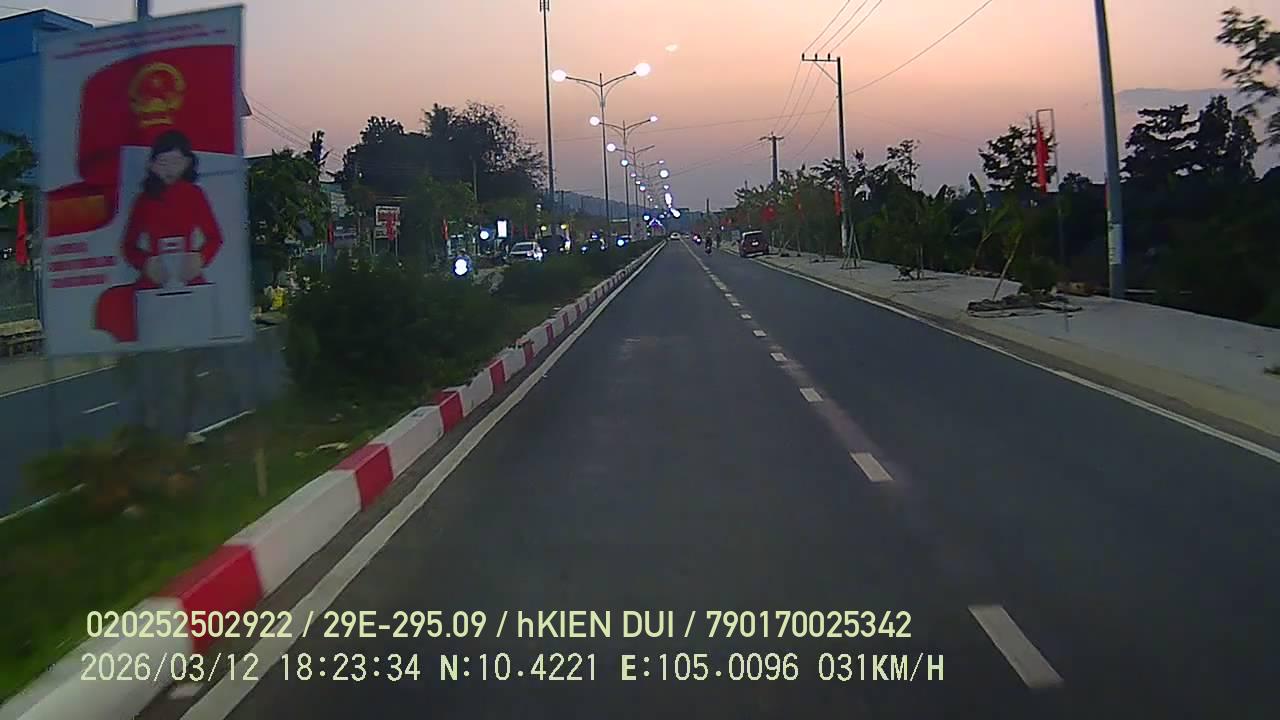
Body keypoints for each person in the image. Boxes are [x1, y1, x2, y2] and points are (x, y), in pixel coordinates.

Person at [95, 130, 224, 341]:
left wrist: (200, 258)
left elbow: (215, 237)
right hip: (154, 281)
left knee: (198, 332)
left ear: (187, 163)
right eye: (163, 162)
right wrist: (146, 264)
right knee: (152, 333)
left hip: (188, 277)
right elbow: (128, 245)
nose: (170, 169)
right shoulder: (144, 200)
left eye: (176, 162)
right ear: (152, 164)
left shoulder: (194, 195)